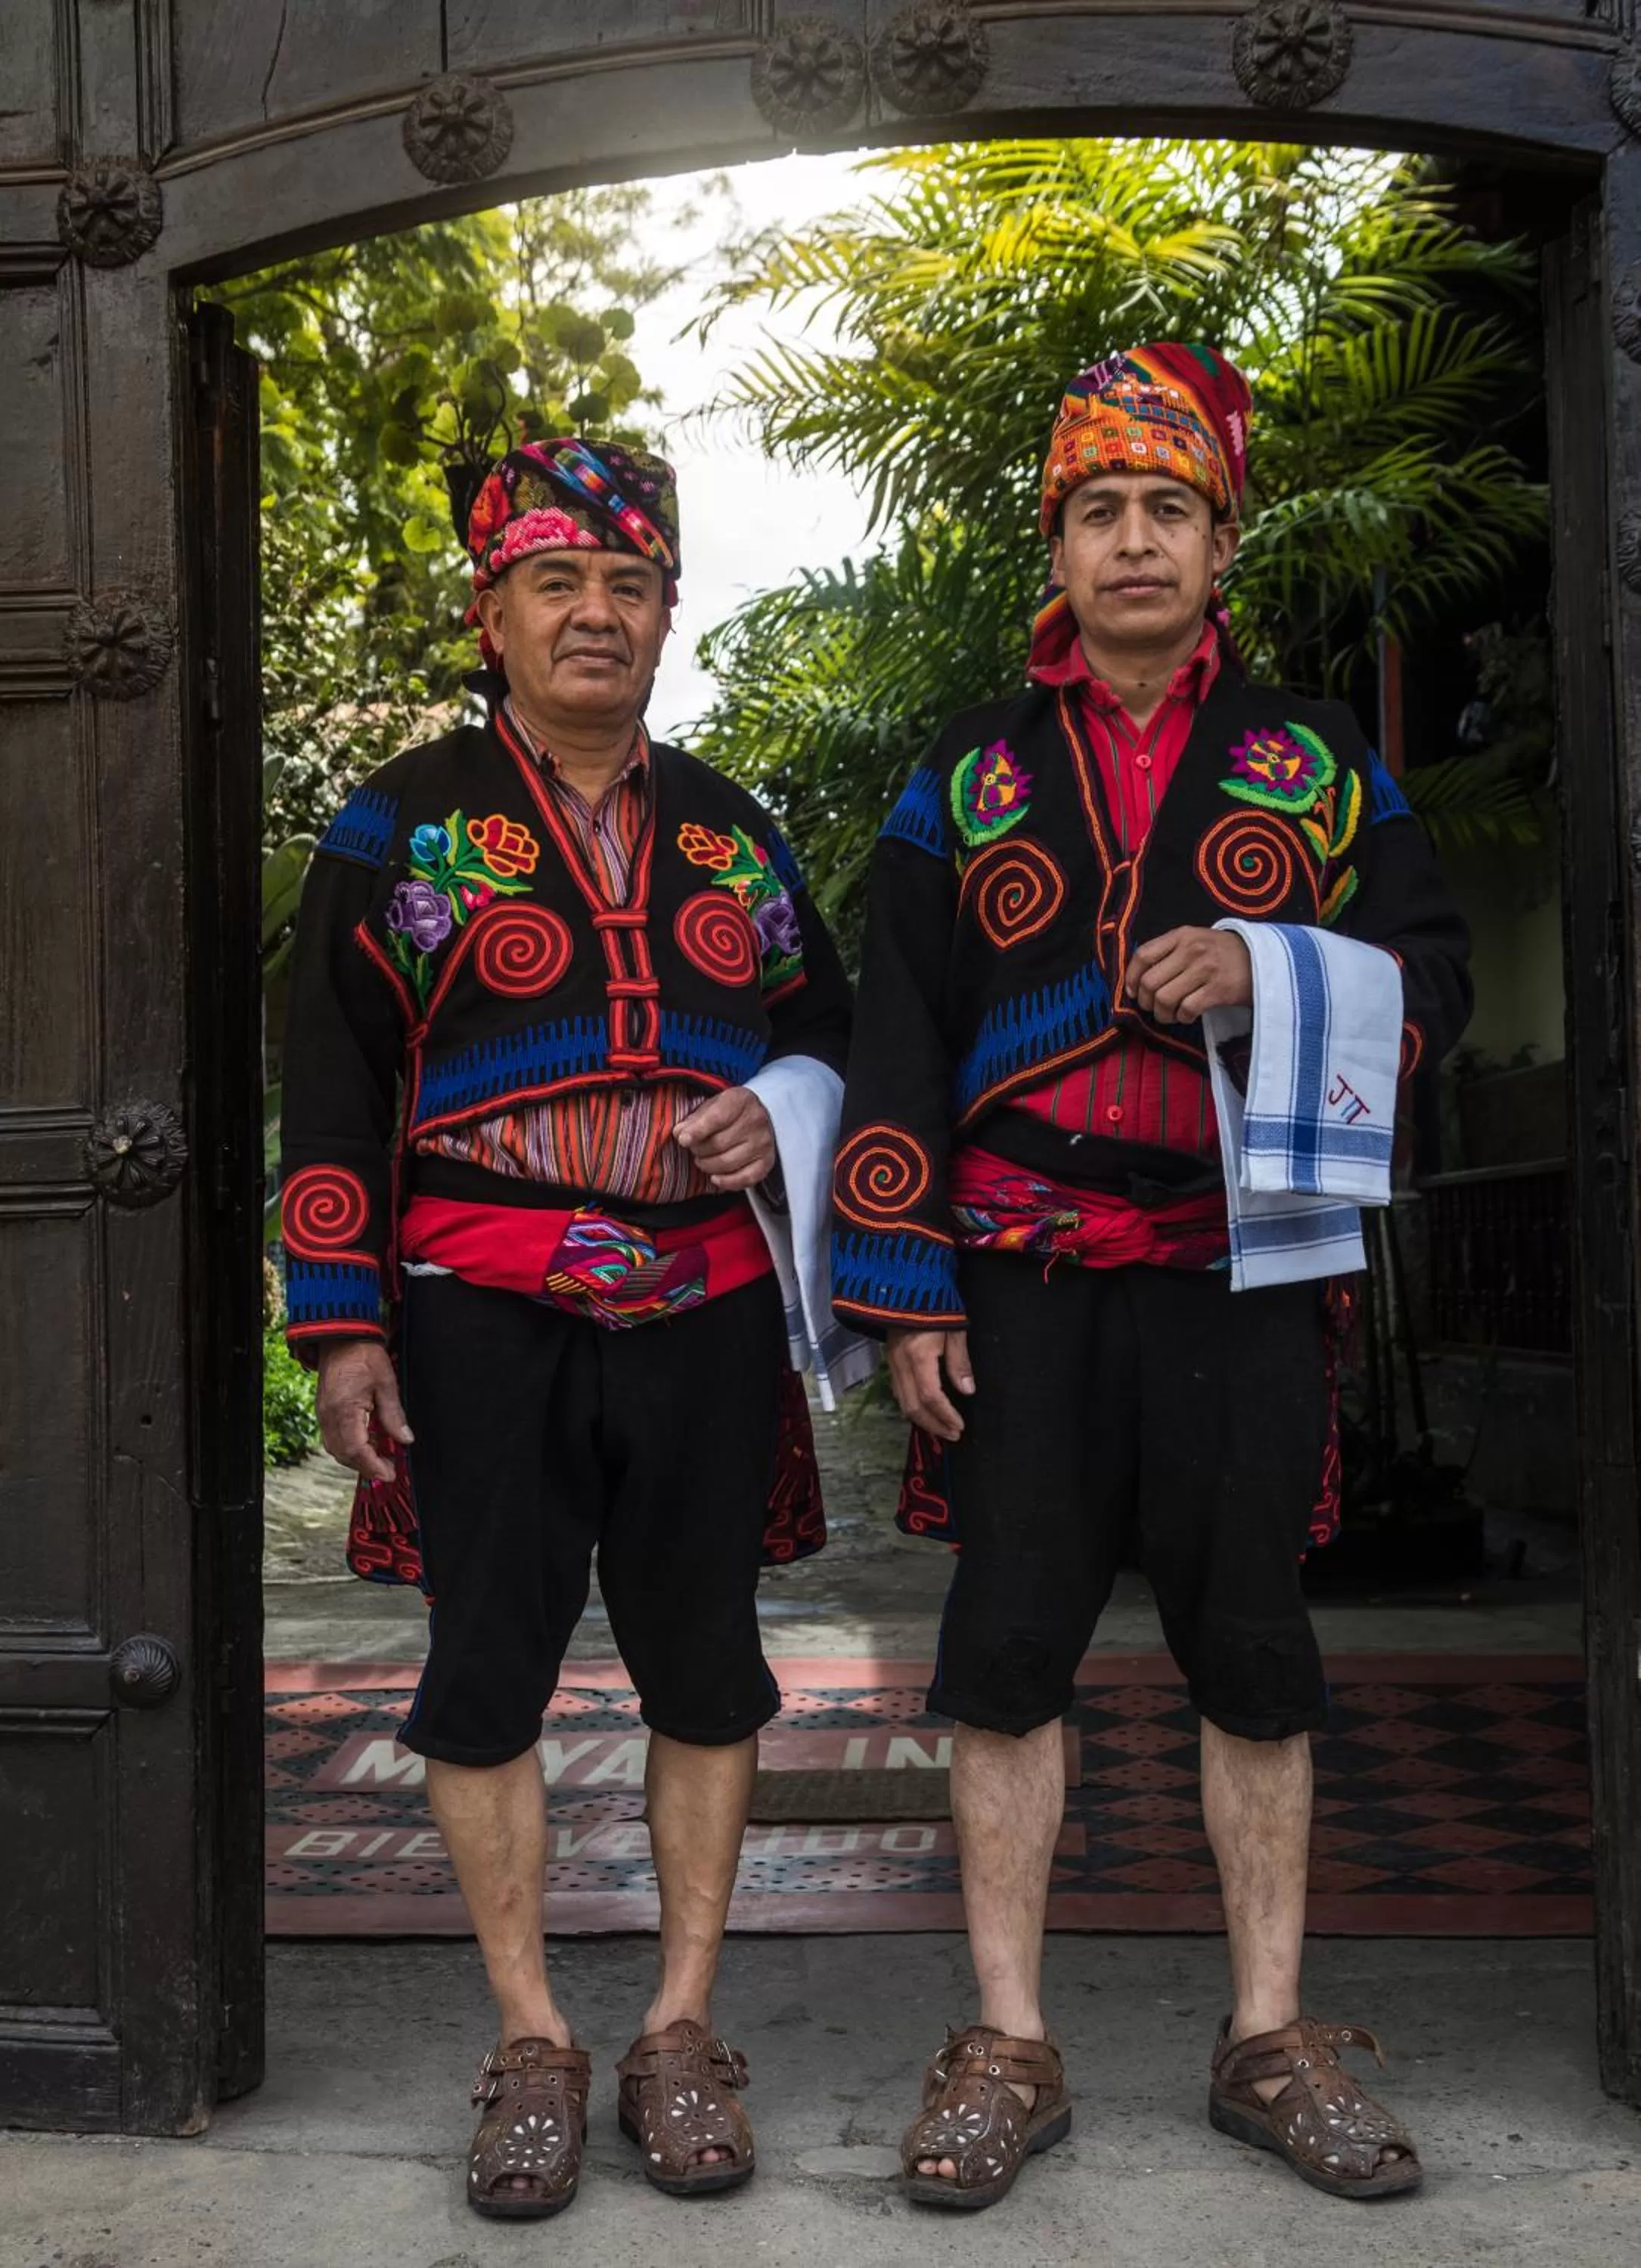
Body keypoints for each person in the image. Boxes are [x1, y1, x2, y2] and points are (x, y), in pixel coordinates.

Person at [832, 345, 1471, 2210]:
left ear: (1217, 539)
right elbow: (891, 1043)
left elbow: (1429, 982)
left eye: (1166, 510)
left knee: (1252, 1651)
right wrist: (904, 1285)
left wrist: (1270, 967)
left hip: (1243, 1267)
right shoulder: (959, 780)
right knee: (1003, 1655)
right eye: (1099, 510)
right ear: (1057, 541)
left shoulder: (1317, 766)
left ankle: (1266, 2034)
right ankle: (1007, 2043)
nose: (1132, 543)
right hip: (1017, 1278)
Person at [278, 435, 852, 2219]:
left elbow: (829, 1026)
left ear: (669, 612)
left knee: (705, 1662)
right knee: (484, 1674)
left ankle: (678, 2029)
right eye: (558, 583)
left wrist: (785, 1093)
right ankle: (530, 2039)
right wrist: (340, 1327)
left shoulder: (733, 827)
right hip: (474, 1312)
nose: (597, 613)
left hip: (702, 1302)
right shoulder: (397, 822)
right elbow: (328, 1079)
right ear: (491, 610)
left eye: (630, 586)